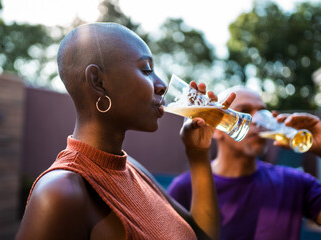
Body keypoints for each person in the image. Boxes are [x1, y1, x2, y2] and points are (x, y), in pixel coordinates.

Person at [16, 22, 236, 240]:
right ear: (98, 82)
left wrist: (197, 153)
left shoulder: (130, 168)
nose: (161, 85)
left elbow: (202, 236)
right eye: (146, 70)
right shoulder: (60, 193)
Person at [167, 86, 321, 240]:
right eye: (244, 111)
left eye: (262, 112)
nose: (257, 121)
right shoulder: (185, 187)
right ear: (216, 128)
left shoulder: (295, 183)